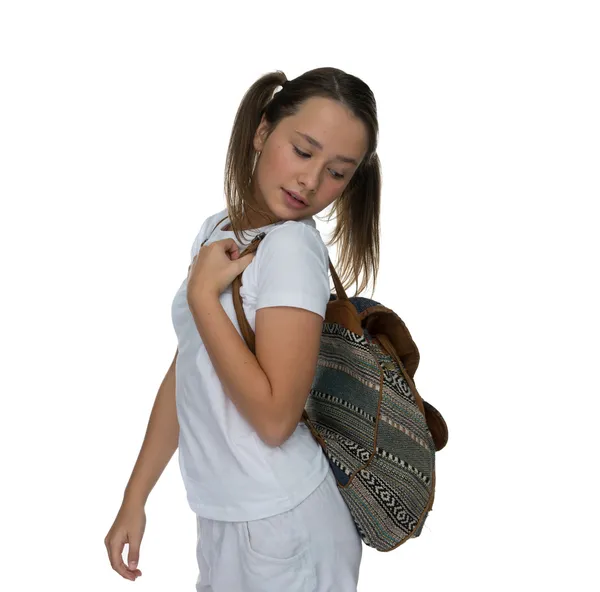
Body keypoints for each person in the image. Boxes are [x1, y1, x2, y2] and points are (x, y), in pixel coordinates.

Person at [105, 66, 382, 591]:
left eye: (337, 171)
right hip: (230, 515)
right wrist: (135, 497)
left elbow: (276, 419)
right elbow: (190, 370)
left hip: (282, 524)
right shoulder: (220, 232)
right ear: (262, 132)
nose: (310, 180)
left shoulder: (291, 249)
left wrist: (200, 298)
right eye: (303, 151)